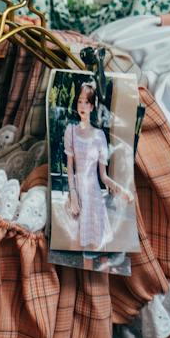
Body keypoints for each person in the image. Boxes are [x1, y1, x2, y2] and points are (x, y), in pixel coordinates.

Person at [62, 82, 113, 251]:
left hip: (94, 195)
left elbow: (104, 176)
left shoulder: (99, 136)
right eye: (79, 101)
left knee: (96, 247)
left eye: (86, 102)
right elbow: (70, 167)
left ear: (92, 106)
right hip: (78, 191)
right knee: (76, 244)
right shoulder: (71, 131)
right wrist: (73, 193)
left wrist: (121, 189)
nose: (82, 106)